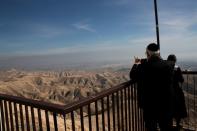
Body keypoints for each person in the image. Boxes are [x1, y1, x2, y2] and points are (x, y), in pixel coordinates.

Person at [130, 43, 174, 131]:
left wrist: (136, 63)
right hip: (166, 103)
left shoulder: (142, 67)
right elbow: (157, 62)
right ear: (158, 53)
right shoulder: (169, 65)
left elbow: (132, 76)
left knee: (151, 127)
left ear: (148, 53)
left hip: (149, 105)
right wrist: (143, 60)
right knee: (166, 127)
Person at [167, 54, 187, 130]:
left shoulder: (165, 68)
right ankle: (178, 124)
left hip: (168, 91)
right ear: (175, 61)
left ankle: (170, 125)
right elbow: (181, 80)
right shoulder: (177, 68)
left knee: (169, 109)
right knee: (178, 108)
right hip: (176, 91)